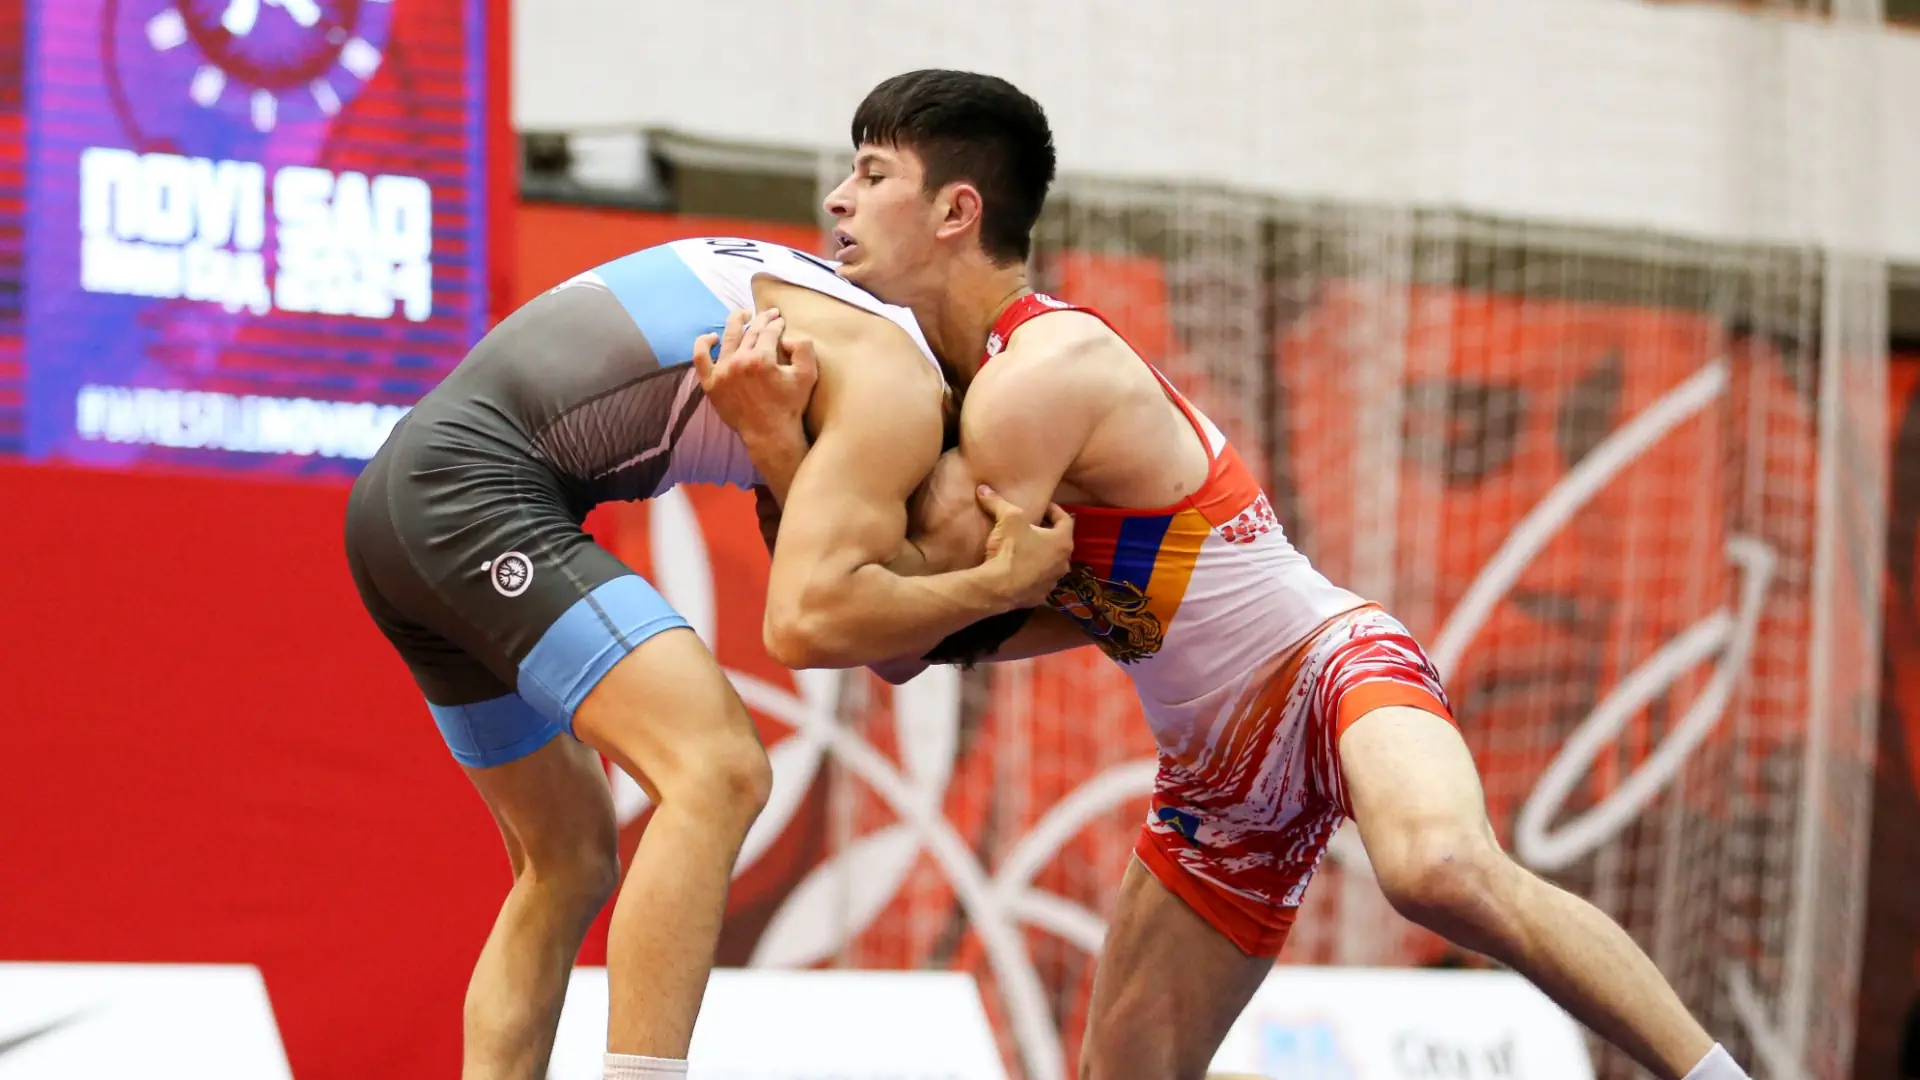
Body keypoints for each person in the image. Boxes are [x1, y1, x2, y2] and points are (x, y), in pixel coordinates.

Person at [697, 69, 1755, 1080]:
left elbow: (874, 619)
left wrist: (783, 447)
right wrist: (876, 524)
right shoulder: (954, 395)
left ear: (956, 210)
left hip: (1329, 669)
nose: (837, 199)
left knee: (1437, 869)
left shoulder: (1036, 377)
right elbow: (892, 644)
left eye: (872, 172)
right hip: (1217, 780)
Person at [342, 235, 1071, 1080]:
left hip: (398, 498)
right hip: (469, 492)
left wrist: (780, 446)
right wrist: (997, 587)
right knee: (718, 772)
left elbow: (876, 631)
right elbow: (828, 625)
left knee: (567, 863)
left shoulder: (840, 322)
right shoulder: (900, 388)